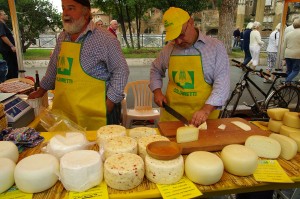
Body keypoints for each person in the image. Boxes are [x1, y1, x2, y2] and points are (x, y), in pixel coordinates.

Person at [28, 0, 129, 130]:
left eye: (71, 8)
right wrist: (41, 90)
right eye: (63, 8)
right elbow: (53, 68)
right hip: (66, 111)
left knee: (99, 147)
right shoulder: (62, 37)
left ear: (86, 12)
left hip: (98, 111)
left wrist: (110, 102)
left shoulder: (105, 38)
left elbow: (121, 70)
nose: (65, 14)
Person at [149, 7, 230, 127]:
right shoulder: (168, 49)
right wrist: (157, 92)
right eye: (174, 37)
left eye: (181, 35)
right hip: (172, 118)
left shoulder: (216, 48)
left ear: (191, 22)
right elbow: (155, 69)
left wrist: (206, 110)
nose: (178, 42)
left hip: (205, 120)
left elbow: (222, 84)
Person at [0, 10, 18, 79]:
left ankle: (12, 81)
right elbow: (3, 36)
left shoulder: (3, 24)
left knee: (13, 67)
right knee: (12, 67)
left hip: (7, 49)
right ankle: (10, 83)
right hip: (7, 49)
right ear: (0, 16)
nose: (6, 15)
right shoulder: (1, 24)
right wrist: (12, 46)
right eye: (4, 14)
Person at [283, 18, 300, 84]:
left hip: (288, 54)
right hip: (297, 55)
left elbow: (284, 46)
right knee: (296, 70)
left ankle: (287, 84)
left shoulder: (288, 34)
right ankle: (286, 82)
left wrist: (283, 56)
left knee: (289, 70)